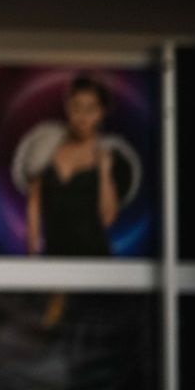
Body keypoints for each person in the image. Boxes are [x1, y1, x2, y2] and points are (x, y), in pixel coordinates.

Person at [25, 75, 122, 258]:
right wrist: (32, 259)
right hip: (54, 261)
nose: (83, 116)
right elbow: (34, 205)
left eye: (90, 109)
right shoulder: (47, 150)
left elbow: (107, 218)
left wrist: (104, 170)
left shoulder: (106, 154)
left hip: (94, 263)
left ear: (101, 112)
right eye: (76, 107)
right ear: (67, 108)